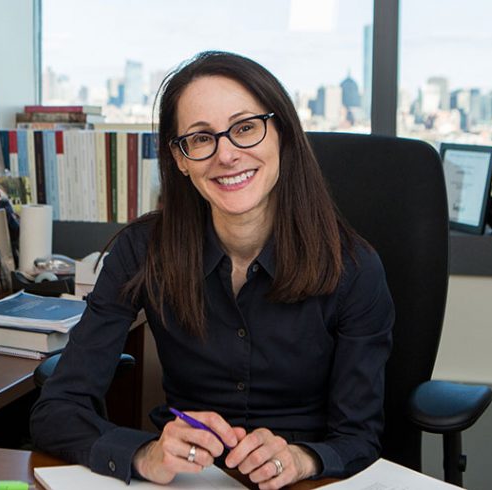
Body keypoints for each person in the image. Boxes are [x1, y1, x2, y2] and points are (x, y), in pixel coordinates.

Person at [30, 51, 394, 489]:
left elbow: (359, 437)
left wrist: (302, 459)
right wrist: (144, 453)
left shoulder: (353, 267)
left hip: (304, 482)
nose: (226, 155)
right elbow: (57, 410)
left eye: (244, 128)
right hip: (189, 479)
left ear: (282, 134)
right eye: (201, 139)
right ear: (180, 159)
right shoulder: (143, 251)